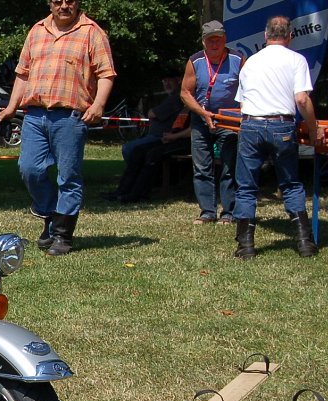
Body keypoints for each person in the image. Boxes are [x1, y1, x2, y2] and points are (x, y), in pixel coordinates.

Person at [0, 0, 116, 256]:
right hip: (35, 115)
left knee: (68, 176)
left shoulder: (92, 32)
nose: (64, 6)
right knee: (30, 169)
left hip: (70, 117)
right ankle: (50, 214)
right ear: (50, 4)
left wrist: (98, 105)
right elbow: (23, 73)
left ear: (77, 3)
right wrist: (11, 107)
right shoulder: (36, 31)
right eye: (58, 2)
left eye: (69, 1)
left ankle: (62, 235)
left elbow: (106, 73)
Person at [231, 15, 324, 259]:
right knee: (291, 183)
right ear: (290, 35)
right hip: (281, 125)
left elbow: (242, 102)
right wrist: (314, 130)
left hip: (251, 124)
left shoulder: (250, 62)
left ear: (265, 36)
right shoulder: (296, 60)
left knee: (247, 186)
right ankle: (305, 242)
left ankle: (246, 245)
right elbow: (302, 99)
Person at [179, 20, 245, 224]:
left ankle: (229, 212)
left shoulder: (238, 59)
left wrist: (241, 114)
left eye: (218, 40)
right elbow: (185, 93)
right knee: (201, 166)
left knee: (229, 165)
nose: (214, 44)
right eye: (210, 41)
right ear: (203, 42)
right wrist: (202, 113)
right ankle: (207, 211)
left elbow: (249, 90)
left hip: (229, 121)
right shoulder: (195, 61)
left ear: (225, 40)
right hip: (201, 119)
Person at [103, 76, 184, 202]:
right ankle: (125, 189)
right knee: (139, 151)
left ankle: (137, 191)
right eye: (164, 80)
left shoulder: (178, 99)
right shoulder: (175, 99)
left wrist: (174, 136)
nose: (166, 83)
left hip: (174, 139)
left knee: (135, 150)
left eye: (169, 80)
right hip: (168, 137)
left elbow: (153, 114)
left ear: (179, 81)